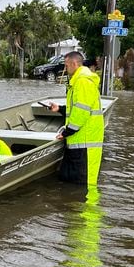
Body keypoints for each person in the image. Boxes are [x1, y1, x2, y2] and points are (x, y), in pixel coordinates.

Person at [48, 52, 104, 186]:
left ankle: (88, 207)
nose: (65, 69)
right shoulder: (78, 81)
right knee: (68, 180)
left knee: (82, 184)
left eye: (66, 65)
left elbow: (81, 113)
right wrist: (60, 109)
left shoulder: (83, 82)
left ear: (74, 64)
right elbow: (77, 108)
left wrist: (66, 132)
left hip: (85, 143)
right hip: (78, 141)